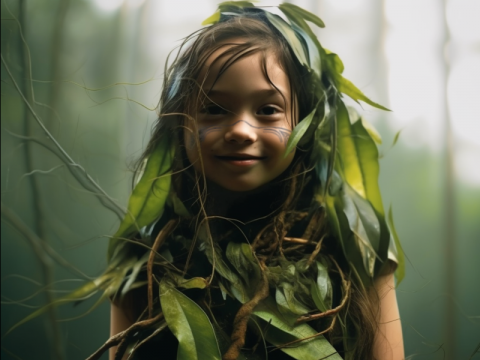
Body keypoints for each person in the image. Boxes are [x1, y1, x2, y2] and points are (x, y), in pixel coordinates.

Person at [104, 2, 404, 360]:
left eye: (267, 110)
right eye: (214, 108)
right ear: (179, 121)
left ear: (305, 125)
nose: (241, 131)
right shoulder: (144, 260)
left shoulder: (356, 250)